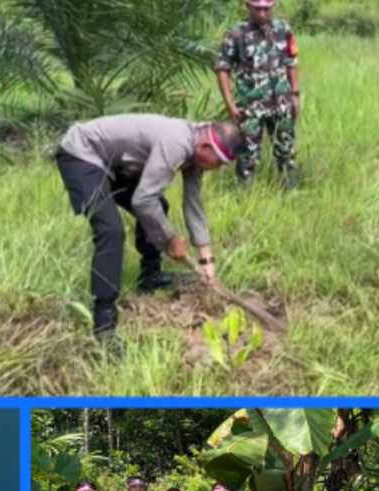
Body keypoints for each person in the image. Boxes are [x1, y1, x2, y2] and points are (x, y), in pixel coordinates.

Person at [55, 114, 240, 340]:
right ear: (205, 147)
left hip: (112, 161)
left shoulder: (196, 149)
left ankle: (150, 276)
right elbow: (143, 201)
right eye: (219, 162)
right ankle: (104, 323)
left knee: (158, 207)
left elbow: (193, 202)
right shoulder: (177, 143)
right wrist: (170, 239)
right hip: (82, 155)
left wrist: (206, 258)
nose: (218, 168)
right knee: (111, 230)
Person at [214, 0, 301, 188]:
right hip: (250, 107)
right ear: (248, 6)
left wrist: (295, 95)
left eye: (266, 9)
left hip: (281, 103)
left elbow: (292, 62)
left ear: (273, 5)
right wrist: (230, 104)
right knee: (247, 155)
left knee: (287, 152)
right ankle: (245, 197)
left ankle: (290, 192)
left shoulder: (283, 30)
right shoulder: (237, 33)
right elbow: (222, 68)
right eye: (257, 9)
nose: (262, 14)